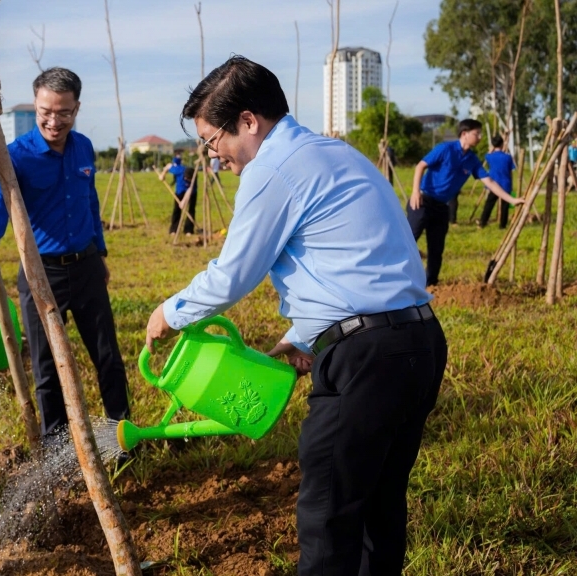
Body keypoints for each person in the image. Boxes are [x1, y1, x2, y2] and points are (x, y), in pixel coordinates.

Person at [144, 56, 448, 575]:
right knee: (379, 507)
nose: (213, 155)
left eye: (212, 140)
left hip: (366, 360)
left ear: (248, 121)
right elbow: (357, 261)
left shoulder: (272, 168)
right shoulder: (336, 154)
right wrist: (304, 338)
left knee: (328, 514)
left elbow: (234, 273)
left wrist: (169, 313)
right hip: (418, 342)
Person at [0, 67, 130, 437]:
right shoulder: (14, 156)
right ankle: (57, 448)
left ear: (76, 108)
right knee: (46, 367)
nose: (54, 121)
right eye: (45, 112)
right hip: (41, 274)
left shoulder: (83, 147)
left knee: (108, 358)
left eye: (63, 112)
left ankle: (122, 436)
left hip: (87, 266)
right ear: (35, 106)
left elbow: (90, 201)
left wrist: (100, 251)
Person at [410, 119, 523, 286]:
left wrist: (512, 199)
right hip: (423, 200)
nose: (480, 137)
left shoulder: (472, 159)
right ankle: (395, 278)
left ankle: (431, 285)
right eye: (477, 133)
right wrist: (415, 191)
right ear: (464, 134)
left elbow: (489, 182)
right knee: (409, 239)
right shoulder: (445, 149)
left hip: (442, 207)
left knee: (436, 248)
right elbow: (420, 166)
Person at [478, 135, 517, 229]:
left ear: (493, 145)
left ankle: (482, 222)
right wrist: (511, 184)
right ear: (502, 144)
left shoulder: (489, 157)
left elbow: (489, 153)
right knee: (505, 206)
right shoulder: (508, 157)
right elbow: (510, 171)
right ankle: (502, 225)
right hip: (505, 183)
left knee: (489, 204)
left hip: (493, 184)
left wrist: (493, 148)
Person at [159, 151, 197, 234]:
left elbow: (190, 189)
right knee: (177, 210)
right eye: (186, 179)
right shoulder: (179, 170)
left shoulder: (194, 177)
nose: (187, 180)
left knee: (191, 210)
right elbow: (168, 166)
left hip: (191, 193)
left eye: (189, 180)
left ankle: (188, 230)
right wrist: (163, 174)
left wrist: (184, 201)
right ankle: (174, 230)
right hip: (179, 191)